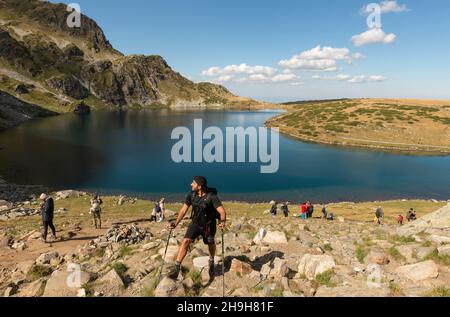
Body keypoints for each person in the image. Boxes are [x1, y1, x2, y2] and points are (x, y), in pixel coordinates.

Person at [167, 176, 226, 280]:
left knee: (210, 243)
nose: (191, 184)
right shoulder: (191, 195)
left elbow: (222, 211)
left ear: (199, 186)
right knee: (185, 241)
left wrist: (222, 221)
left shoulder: (212, 197)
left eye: (193, 183)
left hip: (208, 225)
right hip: (195, 223)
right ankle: (177, 267)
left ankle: (211, 259)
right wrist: (175, 224)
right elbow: (183, 210)